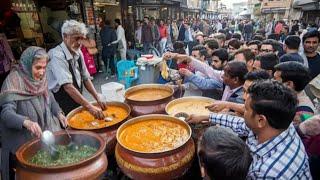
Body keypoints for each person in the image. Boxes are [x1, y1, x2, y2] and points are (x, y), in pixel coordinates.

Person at [188, 80, 312, 179]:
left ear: (260, 120)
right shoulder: (279, 124)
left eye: (246, 109)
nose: (242, 111)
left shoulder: (267, 172)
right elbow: (242, 124)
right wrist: (207, 116)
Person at [0, 47, 67, 180]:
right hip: (19, 146)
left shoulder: (41, 80)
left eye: (44, 67)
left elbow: (51, 99)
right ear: (27, 64)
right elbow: (6, 114)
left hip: (37, 141)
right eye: (38, 68)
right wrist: (26, 122)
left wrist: (59, 113)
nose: (42, 72)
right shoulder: (13, 81)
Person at [47, 20, 106, 117]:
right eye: (76, 38)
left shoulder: (78, 52)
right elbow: (68, 87)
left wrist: (97, 97)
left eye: (82, 38)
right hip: (60, 102)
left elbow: (86, 78)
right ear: (65, 36)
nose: (79, 42)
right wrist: (90, 107)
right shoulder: (57, 56)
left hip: (76, 97)